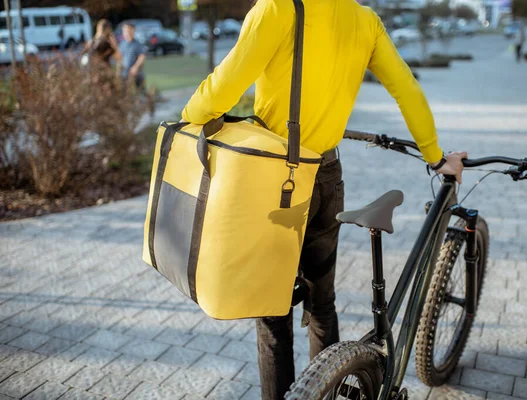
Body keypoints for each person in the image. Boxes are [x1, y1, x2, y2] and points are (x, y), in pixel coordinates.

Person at [181, 1, 466, 399]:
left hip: (273, 178)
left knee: (273, 312)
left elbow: (225, 86)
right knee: (322, 303)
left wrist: (188, 116)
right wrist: (436, 156)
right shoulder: (365, 21)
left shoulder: (278, 8)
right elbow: (407, 89)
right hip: (327, 174)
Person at [118, 23, 146, 89]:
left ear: (133, 31)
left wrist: (135, 67)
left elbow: (142, 56)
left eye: (129, 30)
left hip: (136, 74)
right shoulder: (122, 44)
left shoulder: (137, 44)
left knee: (140, 91)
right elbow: (119, 57)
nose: (127, 33)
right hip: (124, 74)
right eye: (125, 31)